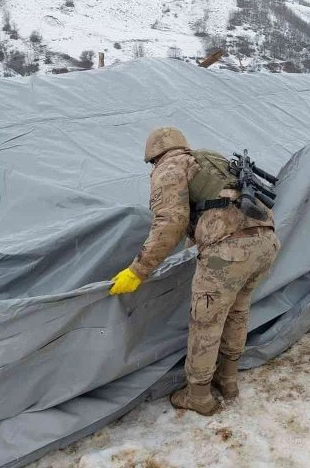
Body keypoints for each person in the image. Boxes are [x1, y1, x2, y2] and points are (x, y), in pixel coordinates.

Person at [109, 127, 279, 415]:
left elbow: (169, 224)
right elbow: (211, 207)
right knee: (237, 312)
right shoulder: (210, 159)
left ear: (154, 157)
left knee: (206, 321)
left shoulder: (168, 169)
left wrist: (138, 271)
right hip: (266, 241)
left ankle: (199, 396)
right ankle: (228, 380)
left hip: (229, 250)